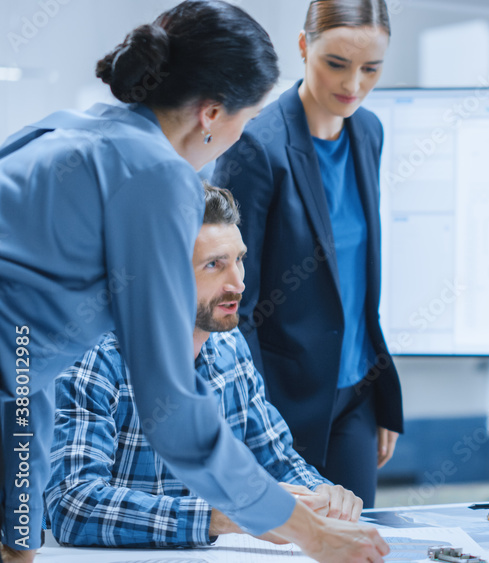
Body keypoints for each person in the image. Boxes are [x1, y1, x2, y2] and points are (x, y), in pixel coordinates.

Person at [0, 2, 387, 561]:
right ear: (211, 113)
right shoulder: (158, 174)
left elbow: (24, 371)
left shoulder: (64, 130)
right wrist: (311, 535)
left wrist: (18, 543)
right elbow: (172, 407)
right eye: (247, 119)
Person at [45, 185, 365, 548]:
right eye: (214, 265)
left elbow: (276, 460)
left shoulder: (230, 348)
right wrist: (219, 516)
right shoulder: (94, 359)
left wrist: (321, 495)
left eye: (239, 259)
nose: (238, 283)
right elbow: (73, 505)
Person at [212, 0, 401, 508]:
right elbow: (234, 304)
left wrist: (383, 396)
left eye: (371, 69)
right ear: (303, 46)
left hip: (357, 389)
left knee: (358, 541)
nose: (354, 85)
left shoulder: (369, 132)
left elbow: (356, 281)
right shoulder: (256, 146)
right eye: (336, 64)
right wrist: (250, 418)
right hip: (282, 397)